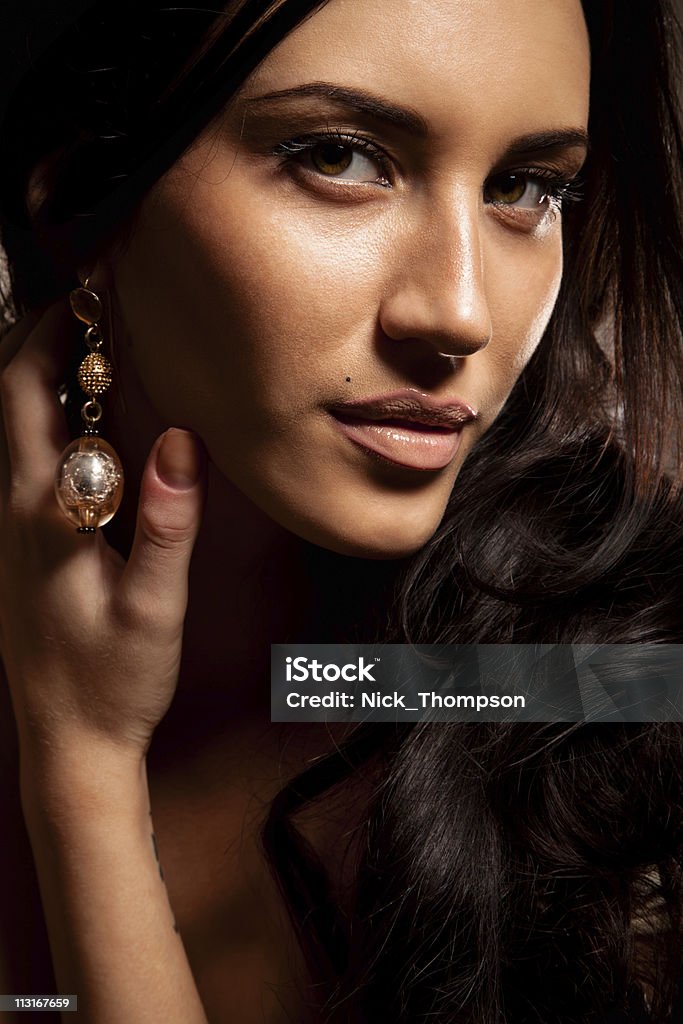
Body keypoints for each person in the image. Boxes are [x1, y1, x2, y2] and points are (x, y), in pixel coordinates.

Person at [0, 0, 682, 1021]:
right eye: (341, 156)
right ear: (81, 201)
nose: (459, 311)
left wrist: (82, 759)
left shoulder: (612, 679)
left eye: (523, 188)